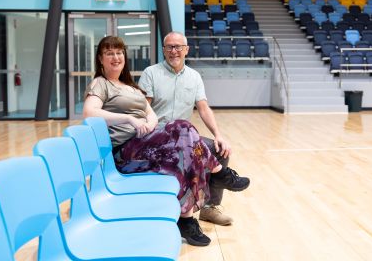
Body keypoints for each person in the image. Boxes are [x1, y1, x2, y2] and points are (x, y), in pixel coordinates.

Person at [82, 35, 249, 247]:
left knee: (185, 149)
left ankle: (188, 219)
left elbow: (149, 112)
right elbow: (89, 112)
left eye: (119, 52)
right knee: (183, 129)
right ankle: (219, 176)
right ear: (100, 58)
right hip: (127, 151)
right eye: (109, 53)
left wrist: (149, 123)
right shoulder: (101, 83)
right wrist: (129, 119)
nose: (116, 57)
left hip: (147, 141)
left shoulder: (129, 86)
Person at [139, 31, 250, 227]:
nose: (174, 51)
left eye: (178, 47)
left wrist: (218, 135)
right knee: (191, 151)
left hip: (186, 137)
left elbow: (203, 108)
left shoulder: (194, 77)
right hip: (158, 136)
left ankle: (210, 208)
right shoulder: (151, 73)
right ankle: (186, 209)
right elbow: (143, 108)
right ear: (163, 50)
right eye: (169, 47)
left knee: (219, 150)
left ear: (186, 50)